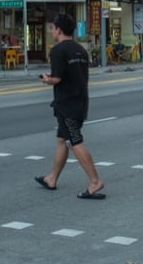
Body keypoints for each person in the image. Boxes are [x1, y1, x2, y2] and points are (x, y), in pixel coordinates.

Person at [36, 13, 105, 199]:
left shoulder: (58, 51)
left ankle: (95, 181)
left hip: (67, 104)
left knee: (75, 140)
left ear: (58, 29)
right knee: (62, 140)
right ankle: (52, 178)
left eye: (53, 28)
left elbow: (57, 78)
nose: (52, 31)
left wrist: (46, 79)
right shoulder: (81, 50)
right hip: (81, 101)